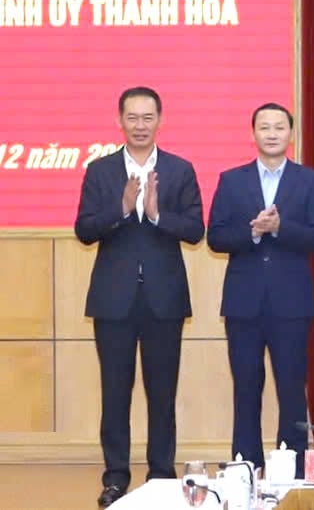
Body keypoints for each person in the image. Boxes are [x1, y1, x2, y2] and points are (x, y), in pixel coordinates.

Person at [74, 86, 204, 508]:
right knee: (115, 393)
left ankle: (162, 477)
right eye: (133, 117)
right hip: (114, 301)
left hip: (164, 300)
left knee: (162, 394)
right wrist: (123, 207)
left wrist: (158, 213)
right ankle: (115, 478)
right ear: (120, 121)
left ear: (160, 120)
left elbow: (195, 230)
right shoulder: (100, 170)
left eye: (148, 117)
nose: (141, 125)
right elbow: (85, 230)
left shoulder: (181, 170)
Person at [207, 103, 314, 478]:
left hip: (291, 303)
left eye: (280, 127)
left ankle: (291, 468)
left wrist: (279, 229)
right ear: (253, 134)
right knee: (246, 389)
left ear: (290, 134)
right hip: (243, 303)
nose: (272, 133)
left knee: (292, 389)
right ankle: (246, 466)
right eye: (265, 127)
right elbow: (215, 237)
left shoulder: (311, 180)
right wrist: (253, 232)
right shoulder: (231, 180)